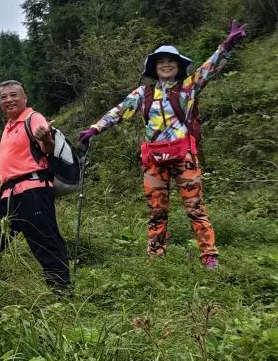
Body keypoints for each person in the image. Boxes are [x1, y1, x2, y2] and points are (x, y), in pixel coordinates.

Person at [78, 21, 248, 269]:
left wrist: (226, 47)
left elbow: (208, 69)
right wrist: (95, 128)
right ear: (155, 67)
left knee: (195, 207)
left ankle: (209, 256)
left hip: (184, 156)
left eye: (171, 61)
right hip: (154, 161)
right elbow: (118, 111)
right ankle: (156, 257)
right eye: (161, 61)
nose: (166, 65)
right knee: (157, 211)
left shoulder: (187, 88)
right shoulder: (142, 94)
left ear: (178, 66)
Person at [0, 80, 70, 290]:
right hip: (10, 193)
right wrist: (2, 185)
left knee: (45, 240)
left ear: (24, 98)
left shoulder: (33, 117)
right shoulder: (9, 126)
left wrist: (46, 138)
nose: (8, 100)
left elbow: (47, 148)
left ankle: (62, 290)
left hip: (33, 190)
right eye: (3, 97)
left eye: (13, 95)